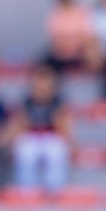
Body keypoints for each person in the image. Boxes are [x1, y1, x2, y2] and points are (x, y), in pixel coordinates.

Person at [14, 63, 71, 193]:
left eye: (45, 80)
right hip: (31, 135)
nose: (42, 85)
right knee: (25, 151)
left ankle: (55, 190)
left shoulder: (57, 101)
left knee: (57, 151)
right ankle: (27, 191)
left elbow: (64, 124)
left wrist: (69, 138)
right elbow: (20, 123)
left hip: (52, 135)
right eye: (39, 80)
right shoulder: (27, 101)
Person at [44, 0, 96, 73]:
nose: (66, 3)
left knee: (93, 51)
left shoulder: (82, 12)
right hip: (62, 49)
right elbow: (55, 38)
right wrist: (68, 41)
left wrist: (74, 40)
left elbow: (87, 34)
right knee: (47, 62)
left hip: (81, 47)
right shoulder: (55, 14)